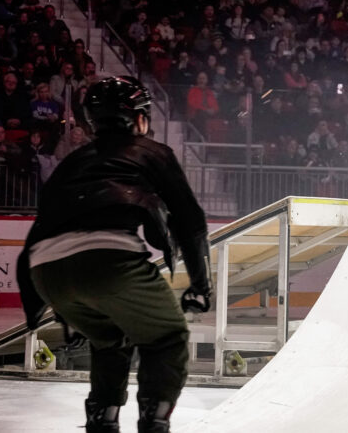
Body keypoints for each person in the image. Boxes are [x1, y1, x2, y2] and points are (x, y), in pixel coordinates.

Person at [17, 77, 211, 433]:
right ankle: (153, 423)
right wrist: (201, 284)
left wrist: (64, 313)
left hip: (44, 270)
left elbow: (44, 227)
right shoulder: (152, 151)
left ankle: (102, 420)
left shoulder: (71, 163)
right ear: (138, 119)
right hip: (109, 260)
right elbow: (191, 222)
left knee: (110, 339)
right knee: (167, 337)